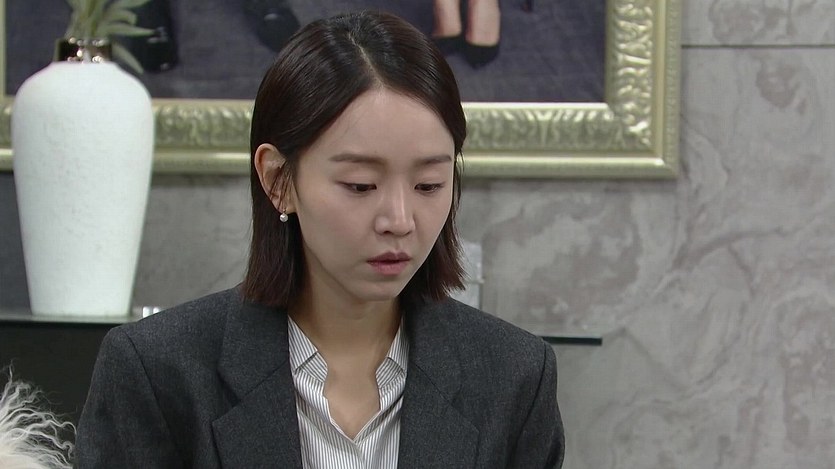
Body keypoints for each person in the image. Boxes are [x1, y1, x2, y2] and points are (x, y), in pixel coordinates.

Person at [76, 10, 564, 468]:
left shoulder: (514, 376)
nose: (399, 220)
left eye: (428, 185)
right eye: (361, 186)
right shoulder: (160, 371)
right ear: (278, 180)